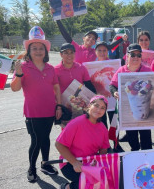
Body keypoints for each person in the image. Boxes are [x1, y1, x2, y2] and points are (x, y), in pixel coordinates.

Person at [10, 26, 62, 182]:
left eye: (41, 48)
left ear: (46, 51)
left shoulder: (50, 68)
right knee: (36, 141)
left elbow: (56, 87)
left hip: (49, 110)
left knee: (45, 138)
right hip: (33, 112)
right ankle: (31, 168)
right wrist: (18, 74)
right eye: (34, 48)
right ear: (29, 51)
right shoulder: (23, 67)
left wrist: (58, 106)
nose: (38, 51)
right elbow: (15, 88)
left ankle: (45, 164)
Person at [56, 95, 110, 189]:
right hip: (70, 163)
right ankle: (67, 187)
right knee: (89, 183)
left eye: (102, 108)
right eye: (96, 105)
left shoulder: (103, 128)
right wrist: (75, 162)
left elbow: (103, 149)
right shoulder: (76, 123)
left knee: (106, 179)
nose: (98, 110)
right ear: (89, 106)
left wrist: (97, 161)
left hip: (90, 163)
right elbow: (59, 145)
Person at [109, 44, 153, 151]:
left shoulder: (148, 70)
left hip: (144, 109)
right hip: (127, 110)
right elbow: (112, 86)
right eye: (133, 54)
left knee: (145, 134)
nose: (136, 57)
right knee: (132, 135)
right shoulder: (121, 70)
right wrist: (115, 93)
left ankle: (147, 155)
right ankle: (134, 153)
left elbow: (153, 85)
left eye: (138, 55)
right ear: (127, 56)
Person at [56, 20, 128, 63]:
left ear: (94, 42)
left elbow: (109, 47)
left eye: (93, 39)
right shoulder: (76, 48)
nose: (91, 39)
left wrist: (121, 39)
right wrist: (57, 20)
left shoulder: (95, 52)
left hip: (89, 80)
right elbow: (66, 35)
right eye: (89, 36)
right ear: (83, 38)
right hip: (77, 79)